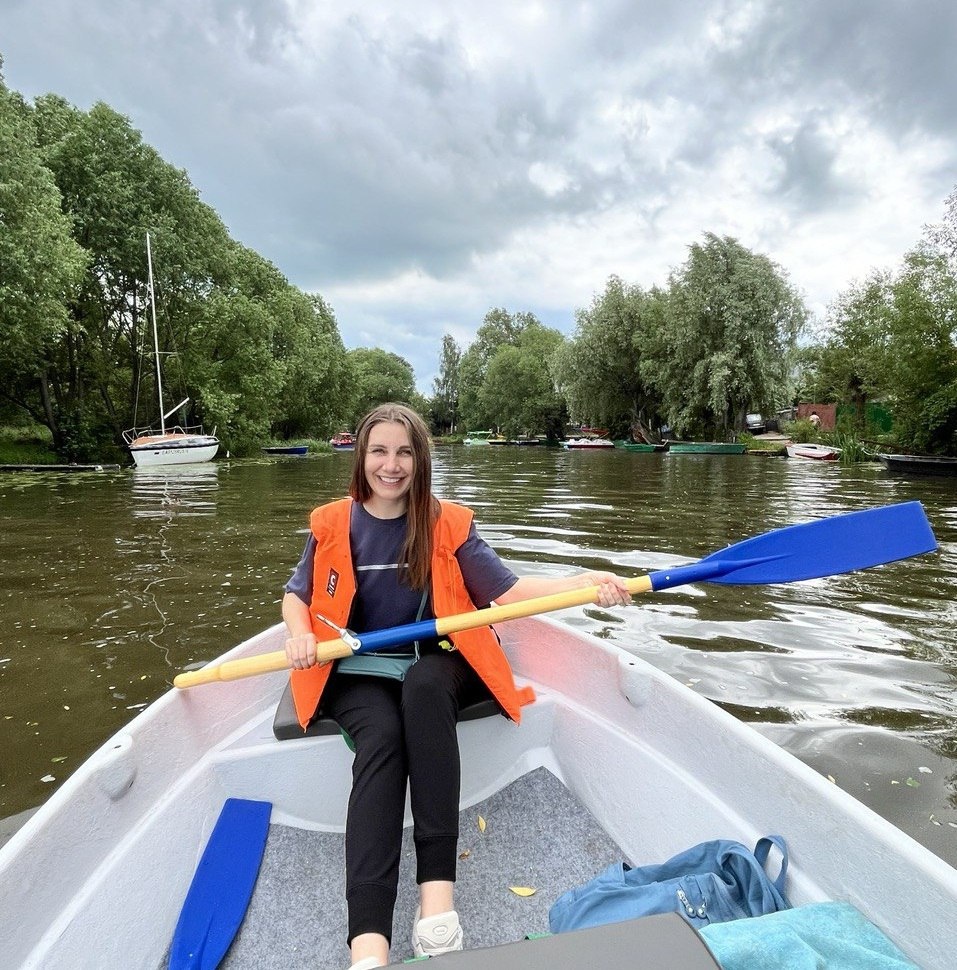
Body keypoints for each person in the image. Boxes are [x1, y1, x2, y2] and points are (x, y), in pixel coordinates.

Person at [282, 403, 631, 970]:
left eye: (404, 452)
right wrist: (299, 634)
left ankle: (436, 905)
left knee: (422, 690)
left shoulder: (449, 524)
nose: (391, 465)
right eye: (379, 451)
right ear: (360, 456)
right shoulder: (331, 523)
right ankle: (367, 947)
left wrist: (585, 582)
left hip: (437, 656)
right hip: (358, 667)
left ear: (421, 460)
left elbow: (509, 595)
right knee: (382, 738)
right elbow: (297, 596)